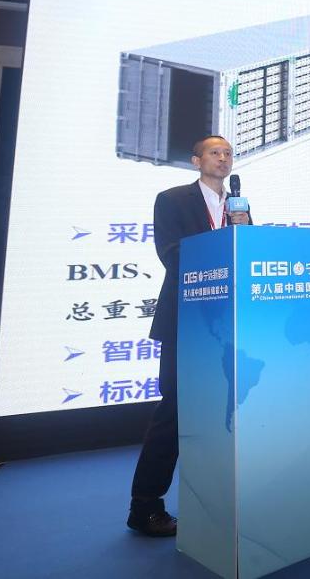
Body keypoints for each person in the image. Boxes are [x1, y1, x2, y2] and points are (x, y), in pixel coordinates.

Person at [127, 135, 250, 537]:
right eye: (215, 152)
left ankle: (214, 502)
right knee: (175, 411)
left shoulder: (238, 205)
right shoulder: (172, 199)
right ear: (197, 160)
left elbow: (247, 253)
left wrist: (244, 235)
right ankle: (145, 506)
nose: (223, 158)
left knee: (223, 414)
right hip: (186, 322)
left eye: (228, 153)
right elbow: (172, 254)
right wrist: (224, 243)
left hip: (227, 323)